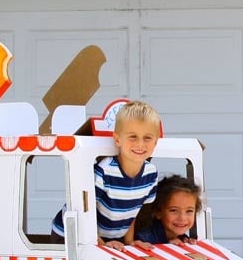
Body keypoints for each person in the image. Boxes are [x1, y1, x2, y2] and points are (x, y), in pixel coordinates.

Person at [51, 100, 161, 251]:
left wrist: (130, 242)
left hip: (106, 237)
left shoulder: (151, 174)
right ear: (117, 139)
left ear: (156, 142)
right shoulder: (104, 172)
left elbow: (132, 211)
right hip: (69, 235)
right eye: (133, 137)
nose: (140, 144)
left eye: (147, 137)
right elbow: (84, 213)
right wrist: (102, 245)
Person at [134, 174, 202, 245]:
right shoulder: (143, 239)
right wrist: (167, 248)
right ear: (158, 212)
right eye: (174, 210)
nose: (182, 218)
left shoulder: (183, 238)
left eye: (189, 211)